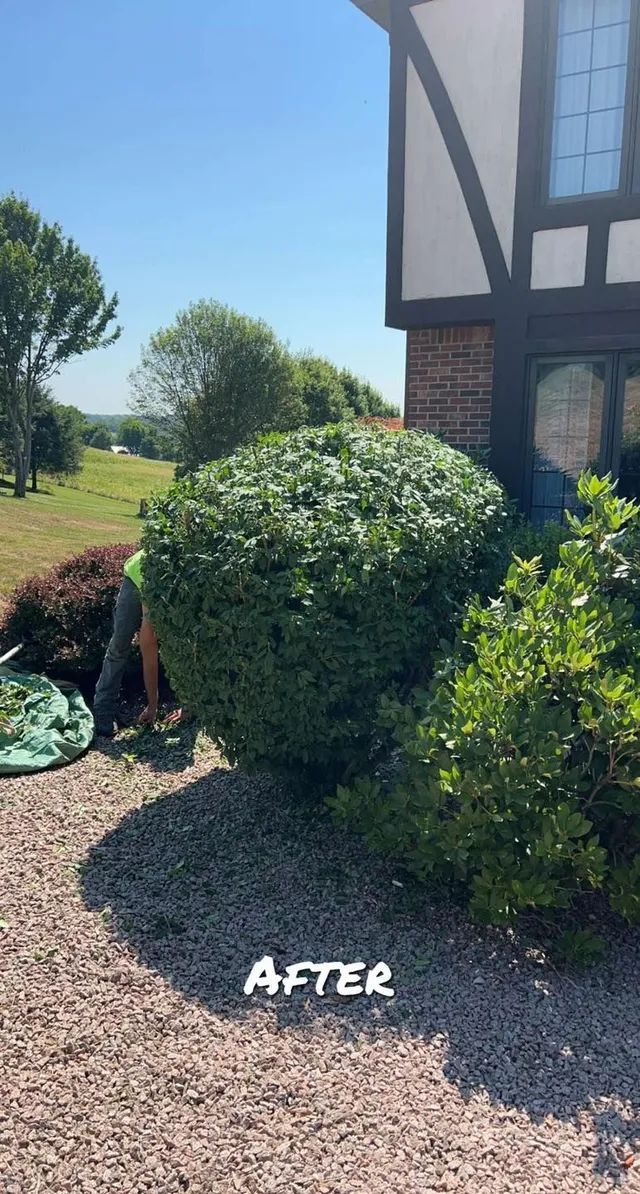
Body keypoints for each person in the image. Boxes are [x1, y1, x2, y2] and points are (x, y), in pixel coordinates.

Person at [93, 548, 162, 737]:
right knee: (120, 643)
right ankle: (103, 708)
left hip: (159, 581)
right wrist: (153, 705)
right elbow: (149, 647)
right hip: (137, 575)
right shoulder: (151, 583)